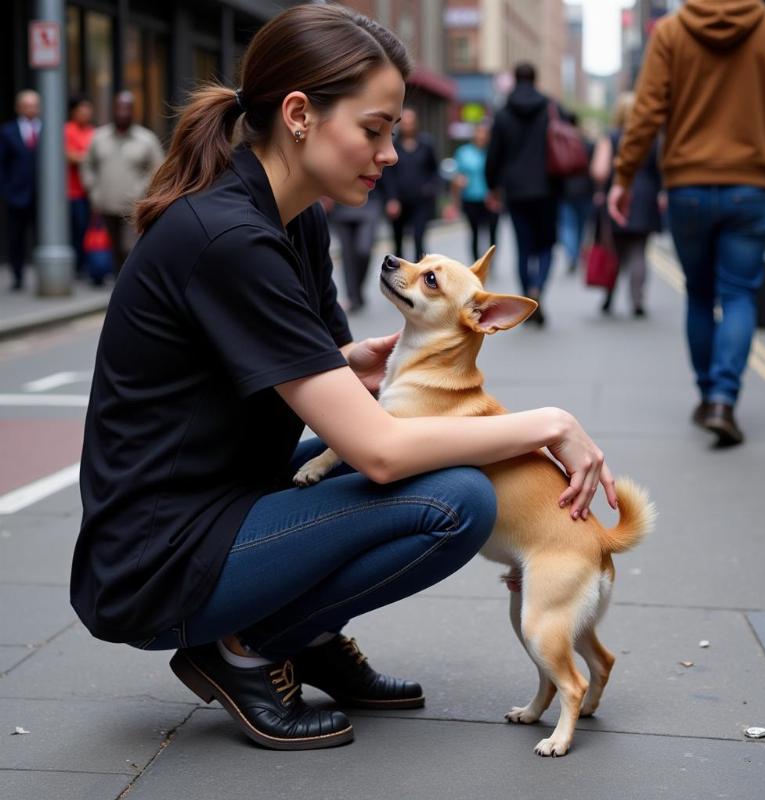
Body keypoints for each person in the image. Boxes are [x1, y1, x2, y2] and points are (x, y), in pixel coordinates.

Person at [70, 4, 615, 753]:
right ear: (299, 115)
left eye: (391, 130)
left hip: (227, 495)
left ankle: (307, 632)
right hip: (158, 558)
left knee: (440, 478)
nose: (390, 152)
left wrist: (353, 359)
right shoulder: (228, 237)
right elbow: (379, 451)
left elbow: (330, 377)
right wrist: (551, 421)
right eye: (375, 128)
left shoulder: (297, 221)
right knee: (457, 499)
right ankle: (249, 646)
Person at [609, 0, 765, 446]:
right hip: (751, 185)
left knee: (699, 294)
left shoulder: (672, 32)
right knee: (738, 294)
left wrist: (624, 176)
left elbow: (647, 112)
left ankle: (707, 393)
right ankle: (723, 397)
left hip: (688, 188)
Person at [486, 62, 560, 326]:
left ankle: (528, 296)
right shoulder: (550, 108)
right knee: (547, 245)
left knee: (523, 247)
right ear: (535, 78)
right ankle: (538, 288)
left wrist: (492, 186)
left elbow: (494, 155)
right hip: (548, 188)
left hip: (515, 190)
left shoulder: (504, 112)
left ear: (515, 80)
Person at [591, 93, 661, 317]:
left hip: (618, 195)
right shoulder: (652, 137)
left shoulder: (611, 137)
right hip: (647, 198)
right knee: (640, 251)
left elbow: (600, 171)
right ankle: (637, 301)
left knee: (614, 250)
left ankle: (609, 297)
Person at [81, 91, 164, 273]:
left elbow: (158, 170)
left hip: (133, 207)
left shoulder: (146, 139)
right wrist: (93, 191)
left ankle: (129, 283)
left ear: (133, 111)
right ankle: (117, 285)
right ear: (113, 110)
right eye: (119, 107)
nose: (123, 112)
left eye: (127, 108)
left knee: (130, 249)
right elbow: (87, 165)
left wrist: (144, 191)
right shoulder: (99, 137)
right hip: (105, 206)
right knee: (112, 249)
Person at [381, 107, 439, 261]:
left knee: (419, 239)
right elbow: (387, 175)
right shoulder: (393, 145)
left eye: (411, 122)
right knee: (398, 241)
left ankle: (419, 277)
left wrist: (430, 188)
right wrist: (391, 199)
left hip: (421, 201)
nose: (408, 125)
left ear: (416, 123)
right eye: (404, 122)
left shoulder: (426, 144)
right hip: (399, 201)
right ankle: (399, 278)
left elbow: (434, 171)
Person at [0, 90, 40, 291]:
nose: (31, 109)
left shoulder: (49, 129)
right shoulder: (8, 131)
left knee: (42, 237)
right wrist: (6, 190)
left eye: (34, 105)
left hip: (42, 197)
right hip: (17, 195)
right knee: (16, 237)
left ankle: (42, 275)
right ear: (19, 108)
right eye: (27, 105)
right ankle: (17, 276)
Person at [327, 191, 382, 313]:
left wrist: (392, 197)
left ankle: (357, 289)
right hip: (341, 206)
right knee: (347, 255)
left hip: (369, 203)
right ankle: (353, 297)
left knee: (364, 250)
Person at [452, 122, 499, 262]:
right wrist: (456, 198)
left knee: (492, 232)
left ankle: (490, 261)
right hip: (471, 199)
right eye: (479, 132)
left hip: (491, 198)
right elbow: (456, 176)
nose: (481, 136)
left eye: (484, 133)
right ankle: (476, 262)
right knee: (475, 232)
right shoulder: (463, 152)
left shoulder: (494, 152)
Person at [558, 112, 594, 275]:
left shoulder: (559, 143)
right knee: (580, 226)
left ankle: (571, 254)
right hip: (586, 190)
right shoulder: (588, 143)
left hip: (565, 190)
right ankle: (577, 253)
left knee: (567, 225)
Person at [64, 95, 95, 277]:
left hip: (90, 191)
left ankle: (86, 266)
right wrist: (88, 159)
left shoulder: (93, 131)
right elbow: (70, 156)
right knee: (77, 229)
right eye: (83, 110)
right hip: (72, 191)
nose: (86, 114)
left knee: (88, 231)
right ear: (74, 112)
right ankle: (77, 267)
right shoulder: (67, 130)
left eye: (88, 110)